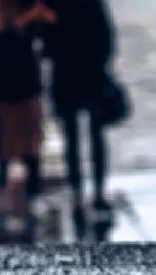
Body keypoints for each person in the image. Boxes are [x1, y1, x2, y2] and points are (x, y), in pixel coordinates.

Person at [44, 0, 116, 239]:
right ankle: (95, 191)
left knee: (73, 140)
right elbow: (106, 37)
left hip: (68, 75)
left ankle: (80, 191)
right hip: (88, 74)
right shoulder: (92, 5)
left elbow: (47, 41)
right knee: (93, 137)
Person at [0, 0, 55, 213]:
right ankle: (6, 185)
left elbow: (47, 32)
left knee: (28, 138)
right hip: (7, 81)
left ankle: (30, 188)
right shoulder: (0, 15)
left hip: (23, 81)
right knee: (8, 138)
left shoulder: (31, 11)